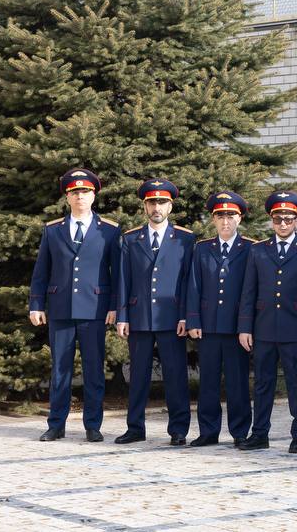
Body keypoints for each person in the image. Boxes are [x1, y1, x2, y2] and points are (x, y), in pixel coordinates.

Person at [28, 168, 119, 442]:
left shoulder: (109, 230)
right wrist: (36, 304)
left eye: (85, 191)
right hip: (60, 308)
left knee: (94, 369)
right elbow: (41, 271)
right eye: (75, 192)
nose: (80, 196)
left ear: (94, 196)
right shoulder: (53, 230)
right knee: (60, 370)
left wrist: (114, 306)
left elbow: (117, 273)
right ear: (67, 197)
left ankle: (93, 425)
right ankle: (56, 424)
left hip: (95, 309)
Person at [115, 178, 194, 445]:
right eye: (151, 203)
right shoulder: (131, 239)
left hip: (172, 318)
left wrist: (184, 315)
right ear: (145, 207)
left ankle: (178, 429)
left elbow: (188, 281)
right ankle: (135, 427)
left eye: (161, 202)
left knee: (175, 375)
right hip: (139, 317)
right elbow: (123, 279)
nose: (156, 207)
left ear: (170, 206)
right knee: (138, 375)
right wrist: (122, 315)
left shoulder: (184, 238)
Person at [238, 191, 297, 453]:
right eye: (278, 219)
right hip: (263, 328)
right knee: (263, 383)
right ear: (272, 220)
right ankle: (259, 433)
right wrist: (245, 328)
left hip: (295, 330)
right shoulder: (258, 250)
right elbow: (248, 292)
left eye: (288, 219)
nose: (283, 224)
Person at [186, 191, 255, 447]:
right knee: (208, 382)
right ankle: (208, 431)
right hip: (209, 326)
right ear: (214, 220)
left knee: (238, 382)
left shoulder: (250, 248)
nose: (225, 222)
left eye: (230, 217)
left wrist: (246, 325)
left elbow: (252, 290)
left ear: (239, 219)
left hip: (237, 327)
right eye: (220, 217)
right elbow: (193, 286)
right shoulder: (203, 248)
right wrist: (193, 320)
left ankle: (240, 431)